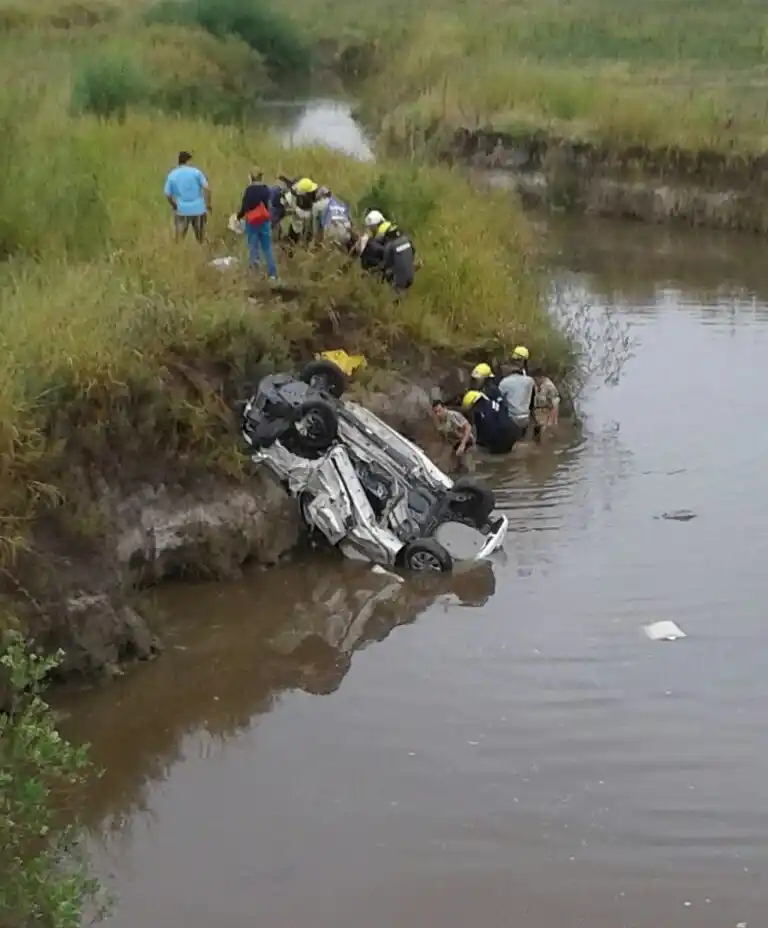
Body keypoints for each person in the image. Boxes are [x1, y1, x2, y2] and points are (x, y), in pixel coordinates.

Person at [358, 210, 415, 293]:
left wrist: (373, 270)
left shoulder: (384, 239)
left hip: (398, 279)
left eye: (370, 227)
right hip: (410, 274)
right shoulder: (401, 235)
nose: (370, 229)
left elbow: (385, 262)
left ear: (374, 225)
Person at [235, 168, 277, 279]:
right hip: (264, 221)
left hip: (252, 222)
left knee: (253, 247)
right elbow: (269, 206)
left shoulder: (249, 190)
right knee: (266, 248)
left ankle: (253, 272)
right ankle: (271, 274)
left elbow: (245, 207)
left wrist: (238, 217)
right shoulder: (266, 189)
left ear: (251, 178)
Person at [164, 150, 210, 243]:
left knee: (179, 238)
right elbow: (207, 188)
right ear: (188, 161)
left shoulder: (172, 175)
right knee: (201, 237)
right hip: (198, 209)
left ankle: (178, 254)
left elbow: (167, 194)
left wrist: (174, 205)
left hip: (181, 209)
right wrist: (208, 204)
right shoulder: (196, 172)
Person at [461, 389, 523, 454]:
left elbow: (488, 432)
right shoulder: (492, 402)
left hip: (501, 436)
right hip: (513, 430)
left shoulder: (482, 413)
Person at [430, 398, 474, 470]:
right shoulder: (438, 422)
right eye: (436, 412)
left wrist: (463, 444)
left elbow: (468, 427)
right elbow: (444, 438)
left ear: (444, 408)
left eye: (440, 411)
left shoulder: (453, 415)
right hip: (454, 444)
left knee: (467, 467)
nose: (438, 414)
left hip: (466, 441)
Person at [498, 360, 536, 434]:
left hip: (512, 418)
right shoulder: (530, 380)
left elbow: (499, 401)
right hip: (525, 417)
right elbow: (532, 398)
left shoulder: (504, 382)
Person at [311, 186, 354, 250]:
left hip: (332, 235)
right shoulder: (340, 203)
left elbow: (316, 227)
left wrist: (316, 242)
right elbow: (350, 220)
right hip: (346, 233)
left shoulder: (317, 205)